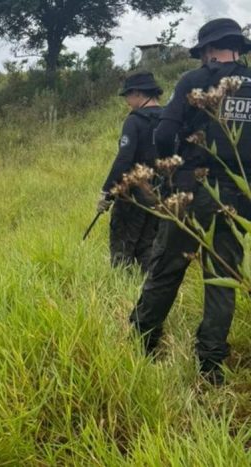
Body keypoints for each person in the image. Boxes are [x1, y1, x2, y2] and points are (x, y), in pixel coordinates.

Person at [129, 18, 251, 385]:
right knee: (222, 277)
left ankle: (142, 341)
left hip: (189, 190)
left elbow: (163, 133)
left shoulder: (192, 82)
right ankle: (210, 366)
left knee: (167, 267)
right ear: (237, 48)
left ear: (209, 51)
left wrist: (172, 174)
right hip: (235, 199)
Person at [97, 71, 164, 271]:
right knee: (148, 244)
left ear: (137, 93)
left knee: (122, 243)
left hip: (133, 194)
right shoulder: (169, 117)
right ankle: (146, 288)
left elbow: (124, 159)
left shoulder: (134, 121)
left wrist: (107, 192)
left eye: (127, 95)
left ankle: (120, 287)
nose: (127, 101)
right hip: (161, 193)